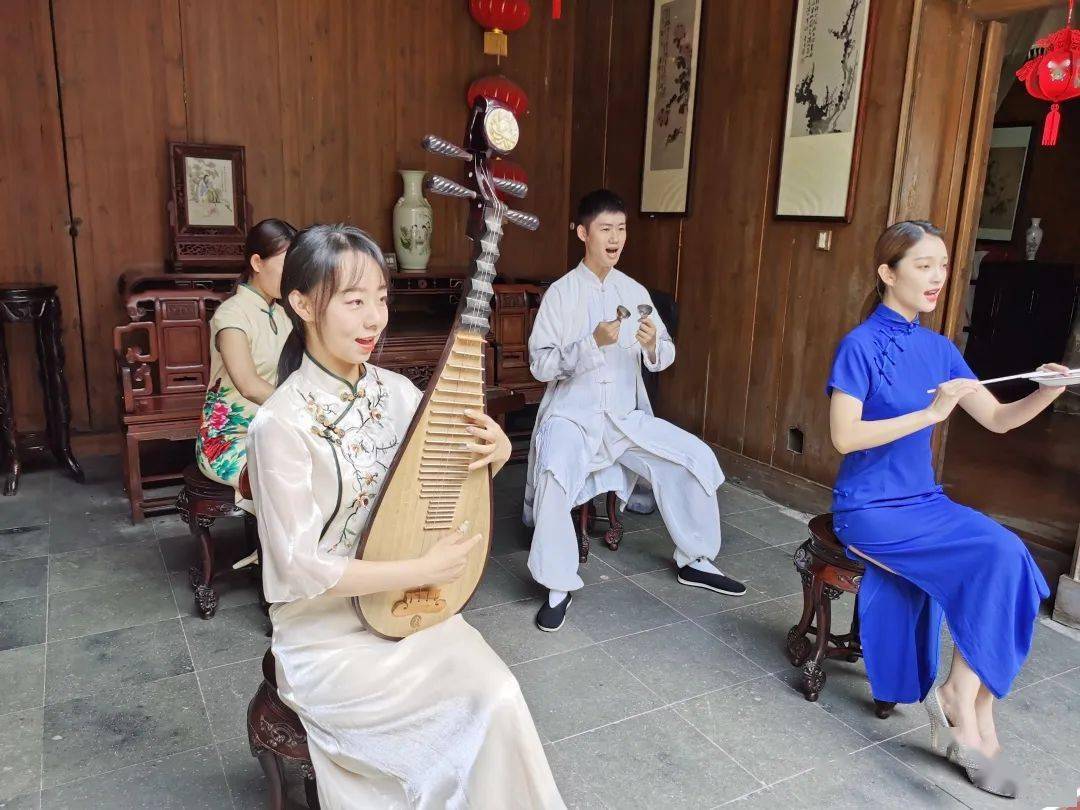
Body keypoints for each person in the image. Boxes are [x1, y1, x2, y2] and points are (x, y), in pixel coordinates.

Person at [247, 224, 564, 809]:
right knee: (468, 715)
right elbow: (297, 567)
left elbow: (436, 489)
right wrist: (419, 567)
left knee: (498, 692)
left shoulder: (396, 393)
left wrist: (491, 457)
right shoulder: (281, 424)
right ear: (302, 303)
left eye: (382, 299)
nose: (375, 319)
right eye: (354, 300)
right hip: (326, 635)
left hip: (404, 606)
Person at [826, 220, 1065, 798]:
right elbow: (843, 438)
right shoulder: (859, 345)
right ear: (888, 273)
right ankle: (968, 711)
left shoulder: (940, 349)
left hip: (922, 501)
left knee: (1009, 553)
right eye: (923, 265)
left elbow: (999, 420)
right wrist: (931, 415)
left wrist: (1048, 390)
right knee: (993, 555)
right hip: (870, 507)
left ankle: (966, 695)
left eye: (941, 264)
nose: (937, 277)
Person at [524, 189, 747, 633]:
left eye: (621, 229)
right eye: (605, 229)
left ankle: (696, 558)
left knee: (694, 457)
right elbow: (540, 364)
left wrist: (651, 345)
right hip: (573, 415)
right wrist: (592, 343)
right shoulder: (561, 295)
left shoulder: (634, 290)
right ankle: (557, 583)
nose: (615, 238)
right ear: (583, 233)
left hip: (626, 417)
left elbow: (664, 354)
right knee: (554, 469)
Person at [196, 218, 296, 497]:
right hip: (229, 439)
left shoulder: (283, 314)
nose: (293, 276)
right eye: (286, 266)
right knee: (283, 477)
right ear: (257, 262)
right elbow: (248, 384)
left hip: (277, 431)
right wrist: (305, 409)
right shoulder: (231, 314)